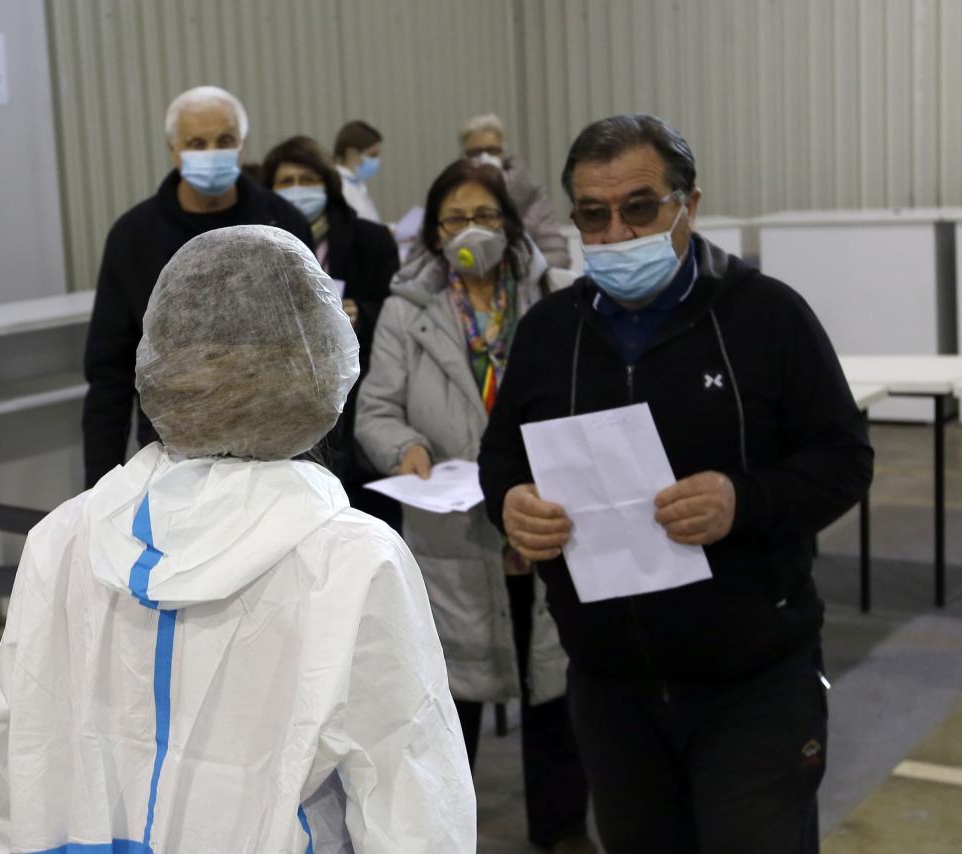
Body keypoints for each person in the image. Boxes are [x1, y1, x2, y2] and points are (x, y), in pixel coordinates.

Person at [0, 226, 476, 853]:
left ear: (162, 361)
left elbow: (13, 751)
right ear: (319, 364)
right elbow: (414, 803)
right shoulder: (350, 560)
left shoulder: (63, 538)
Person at [478, 113, 874, 853]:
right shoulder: (548, 332)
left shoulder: (766, 316)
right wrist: (511, 505)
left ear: (686, 206)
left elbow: (843, 457)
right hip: (607, 683)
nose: (616, 234)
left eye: (639, 207)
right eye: (593, 216)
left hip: (752, 678)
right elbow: (501, 456)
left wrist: (742, 500)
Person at [355, 160, 591, 852]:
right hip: (452, 530)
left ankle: (563, 828)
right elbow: (373, 410)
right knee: (446, 695)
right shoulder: (409, 308)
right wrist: (403, 451)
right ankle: (443, 833)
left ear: (511, 223)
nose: (470, 231)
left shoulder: (552, 296)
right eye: (453, 218)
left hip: (544, 517)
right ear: (431, 230)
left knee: (553, 684)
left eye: (484, 216)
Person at [81, 85, 313, 489]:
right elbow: (109, 374)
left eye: (223, 141)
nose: (211, 152)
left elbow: (310, 352)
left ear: (241, 146)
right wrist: (101, 487)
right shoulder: (134, 236)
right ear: (173, 150)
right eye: (196, 143)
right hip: (173, 456)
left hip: (277, 455)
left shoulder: (283, 222)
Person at [261, 135, 401, 527]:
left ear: (327, 182)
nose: (296, 189)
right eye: (285, 181)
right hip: (289, 399)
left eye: (307, 178)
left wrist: (362, 313)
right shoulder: (262, 243)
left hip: (360, 396)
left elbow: (396, 310)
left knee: (368, 518)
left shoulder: (369, 239)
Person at [460, 113, 570, 269]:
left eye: (492, 150)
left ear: (503, 152)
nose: (484, 157)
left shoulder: (531, 195)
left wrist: (513, 272)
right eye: (475, 153)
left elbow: (557, 255)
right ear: (464, 157)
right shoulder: (450, 198)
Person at [334, 119, 383, 223]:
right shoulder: (339, 187)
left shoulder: (355, 183)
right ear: (351, 153)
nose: (377, 160)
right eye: (373, 155)